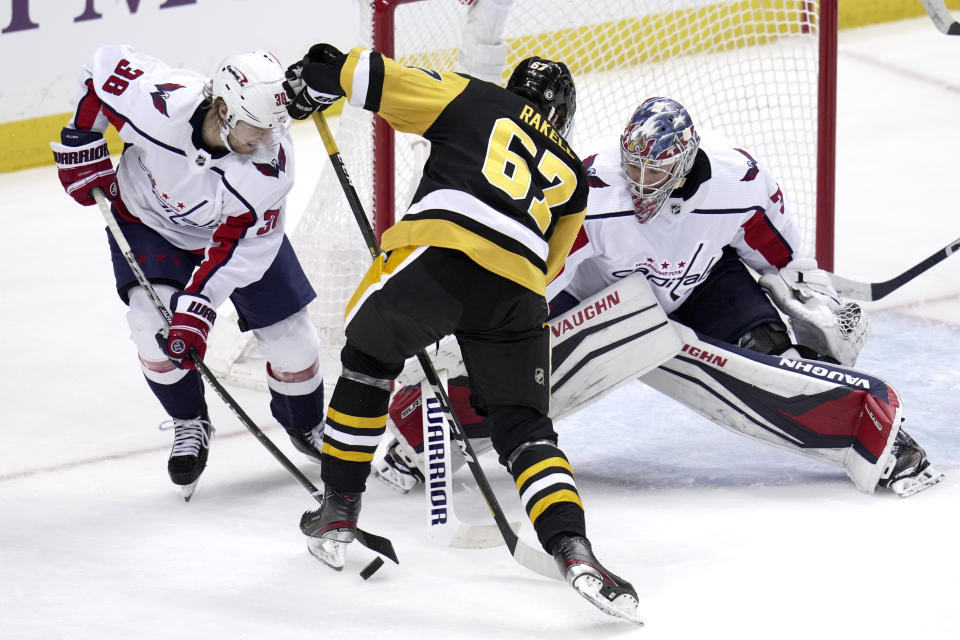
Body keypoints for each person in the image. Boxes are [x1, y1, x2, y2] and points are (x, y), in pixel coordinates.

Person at [374, 96, 943, 500]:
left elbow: (780, 255)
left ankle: (874, 436)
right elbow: (540, 276)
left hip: (702, 285)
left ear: (686, 158)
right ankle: (422, 436)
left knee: (777, 356)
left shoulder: (738, 180)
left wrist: (812, 298)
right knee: (520, 370)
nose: (641, 180)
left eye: (656, 169)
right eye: (635, 165)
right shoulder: (592, 189)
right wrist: (473, 331)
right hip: (607, 300)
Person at [284, 44, 641, 623]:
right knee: (525, 428)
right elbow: (549, 264)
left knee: (370, 359)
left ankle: (339, 508)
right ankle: (574, 549)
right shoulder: (575, 176)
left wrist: (322, 70)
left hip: (441, 259)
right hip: (519, 294)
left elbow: (377, 77)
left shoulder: (476, 97)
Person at [51, 45, 326, 499]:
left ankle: (306, 423)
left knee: (293, 341)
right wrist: (82, 138)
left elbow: (240, 249)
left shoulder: (269, 170)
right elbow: (101, 73)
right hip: (147, 222)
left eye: (272, 130)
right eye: (253, 131)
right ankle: (189, 420)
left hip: (240, 240)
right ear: (222, 109)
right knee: (149, 328)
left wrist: (198, 305)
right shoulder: (162, 104)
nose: (266, 143)